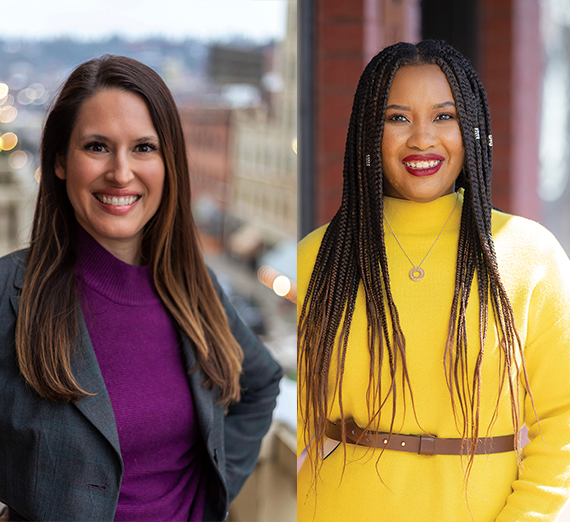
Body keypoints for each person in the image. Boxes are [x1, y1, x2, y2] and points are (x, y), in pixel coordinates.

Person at [0, 55, 282, 522]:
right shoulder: (10, 293)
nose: (122, 173)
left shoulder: (195, 289)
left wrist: (214, 494)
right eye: (97, 146)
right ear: (59, 161)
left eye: (144, 148)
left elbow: (262, 382)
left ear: (168, 163)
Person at [297, 40, 570, 521]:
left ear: (472, 128)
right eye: (397, 118)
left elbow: (563, 421)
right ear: (367, 133)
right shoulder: (320, 255)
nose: (422, 138)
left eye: (444, 117)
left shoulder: (531, 254)